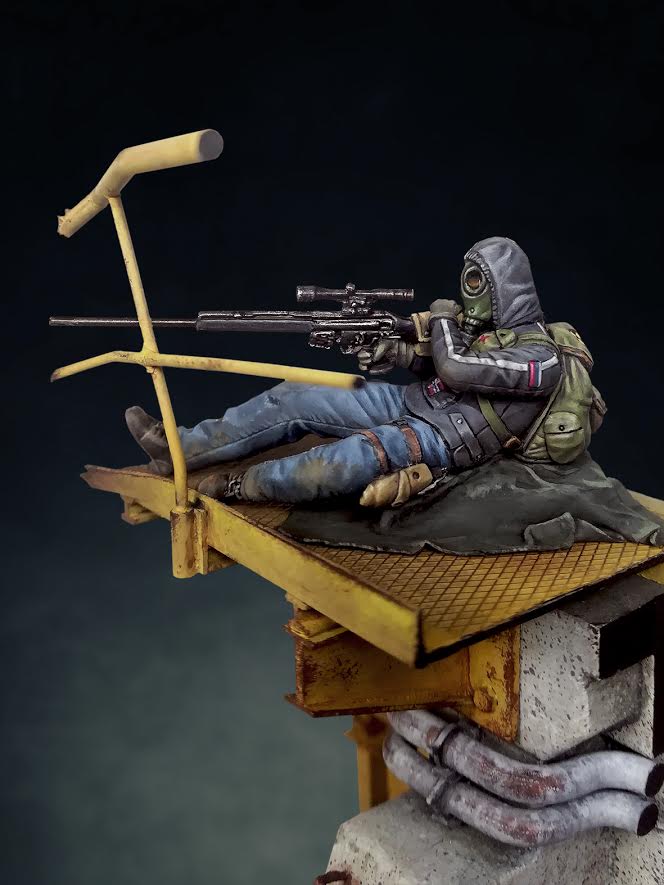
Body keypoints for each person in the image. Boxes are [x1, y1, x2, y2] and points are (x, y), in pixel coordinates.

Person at [126, 237, 561, 503]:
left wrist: (443, 319)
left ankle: (242, 486)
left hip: (441, 440)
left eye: (476, 284)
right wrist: (399, 355)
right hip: (412, 402)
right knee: (299, 392)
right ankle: (180, 450)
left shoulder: (541, 360)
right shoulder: (486, 334)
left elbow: (459, 370)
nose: (468, 296)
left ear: (506, 289)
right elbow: (441, 367)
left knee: (343, 463)